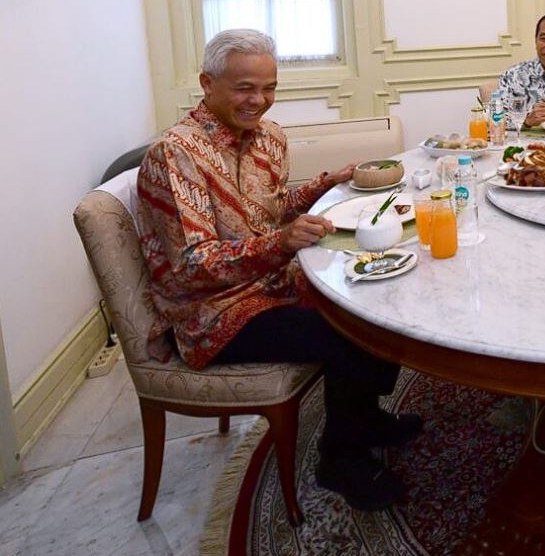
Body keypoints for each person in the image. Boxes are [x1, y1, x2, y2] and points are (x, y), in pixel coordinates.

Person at [136, 29, 421, 512]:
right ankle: (340, 458)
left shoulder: (269, 138)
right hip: (214, 313)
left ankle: (364, 417)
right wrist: (279, 243)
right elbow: (191, 266)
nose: (259, 100)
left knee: (377, 292)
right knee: (347, 331)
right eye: (245, 87)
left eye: (269, 88)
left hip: (271, 282)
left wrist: (326, 183)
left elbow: (269, 210)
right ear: (207, 83)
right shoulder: (175, 154)